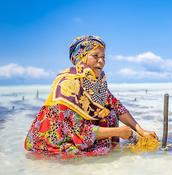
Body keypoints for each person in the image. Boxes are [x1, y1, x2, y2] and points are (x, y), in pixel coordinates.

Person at [24, 35, 157, 157]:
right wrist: (118, 132)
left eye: (103, 57)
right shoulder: (67, 84)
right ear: (81, 57)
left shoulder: (94, 82)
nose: (101, 61)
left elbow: (117, 107)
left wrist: (141, 131)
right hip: (56, 139)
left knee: (110, 113)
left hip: (82, 134)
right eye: (95, 56)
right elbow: (79, 130)